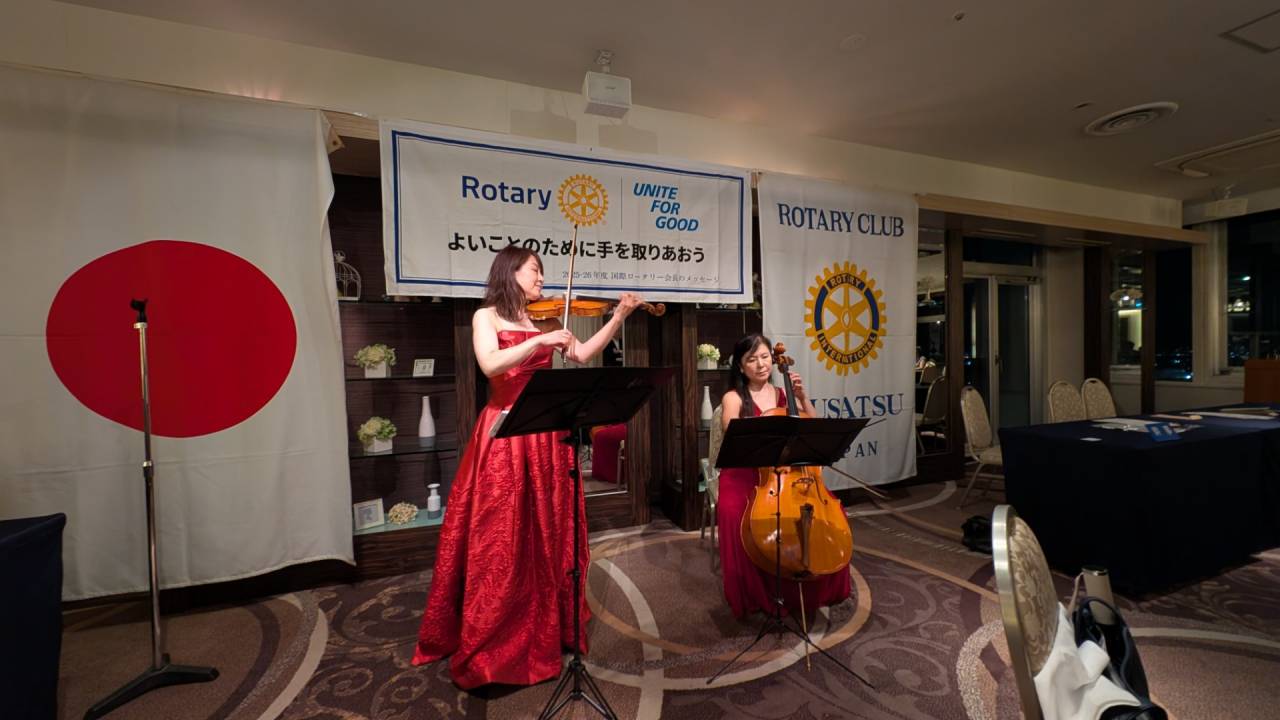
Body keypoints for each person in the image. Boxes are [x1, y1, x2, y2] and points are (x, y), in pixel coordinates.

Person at [412, 245, 641, 689]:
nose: (541, 279)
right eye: (535, 270)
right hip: (505, 433)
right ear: (510, 271)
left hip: (547, 435)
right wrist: (537, 341)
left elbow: (581, 355)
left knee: (547, 530)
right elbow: (489, 364)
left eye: (542, 272)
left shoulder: (546, 319)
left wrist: (618, 317)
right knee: (501, 531)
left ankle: (547, 624)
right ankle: (496, 633)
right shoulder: (487, 316)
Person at [716, 333, 851, 620]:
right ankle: (754, 593)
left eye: (765, 357)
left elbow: (813, 427)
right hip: (744, 472)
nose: (761, 364)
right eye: (752, 359)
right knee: (734, 513)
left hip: (786, 473)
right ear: (740, 366)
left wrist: (802, 398)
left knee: (831, 512)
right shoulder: (733, 397)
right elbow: (732, 431)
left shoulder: (783, 394)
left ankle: (816, 584)